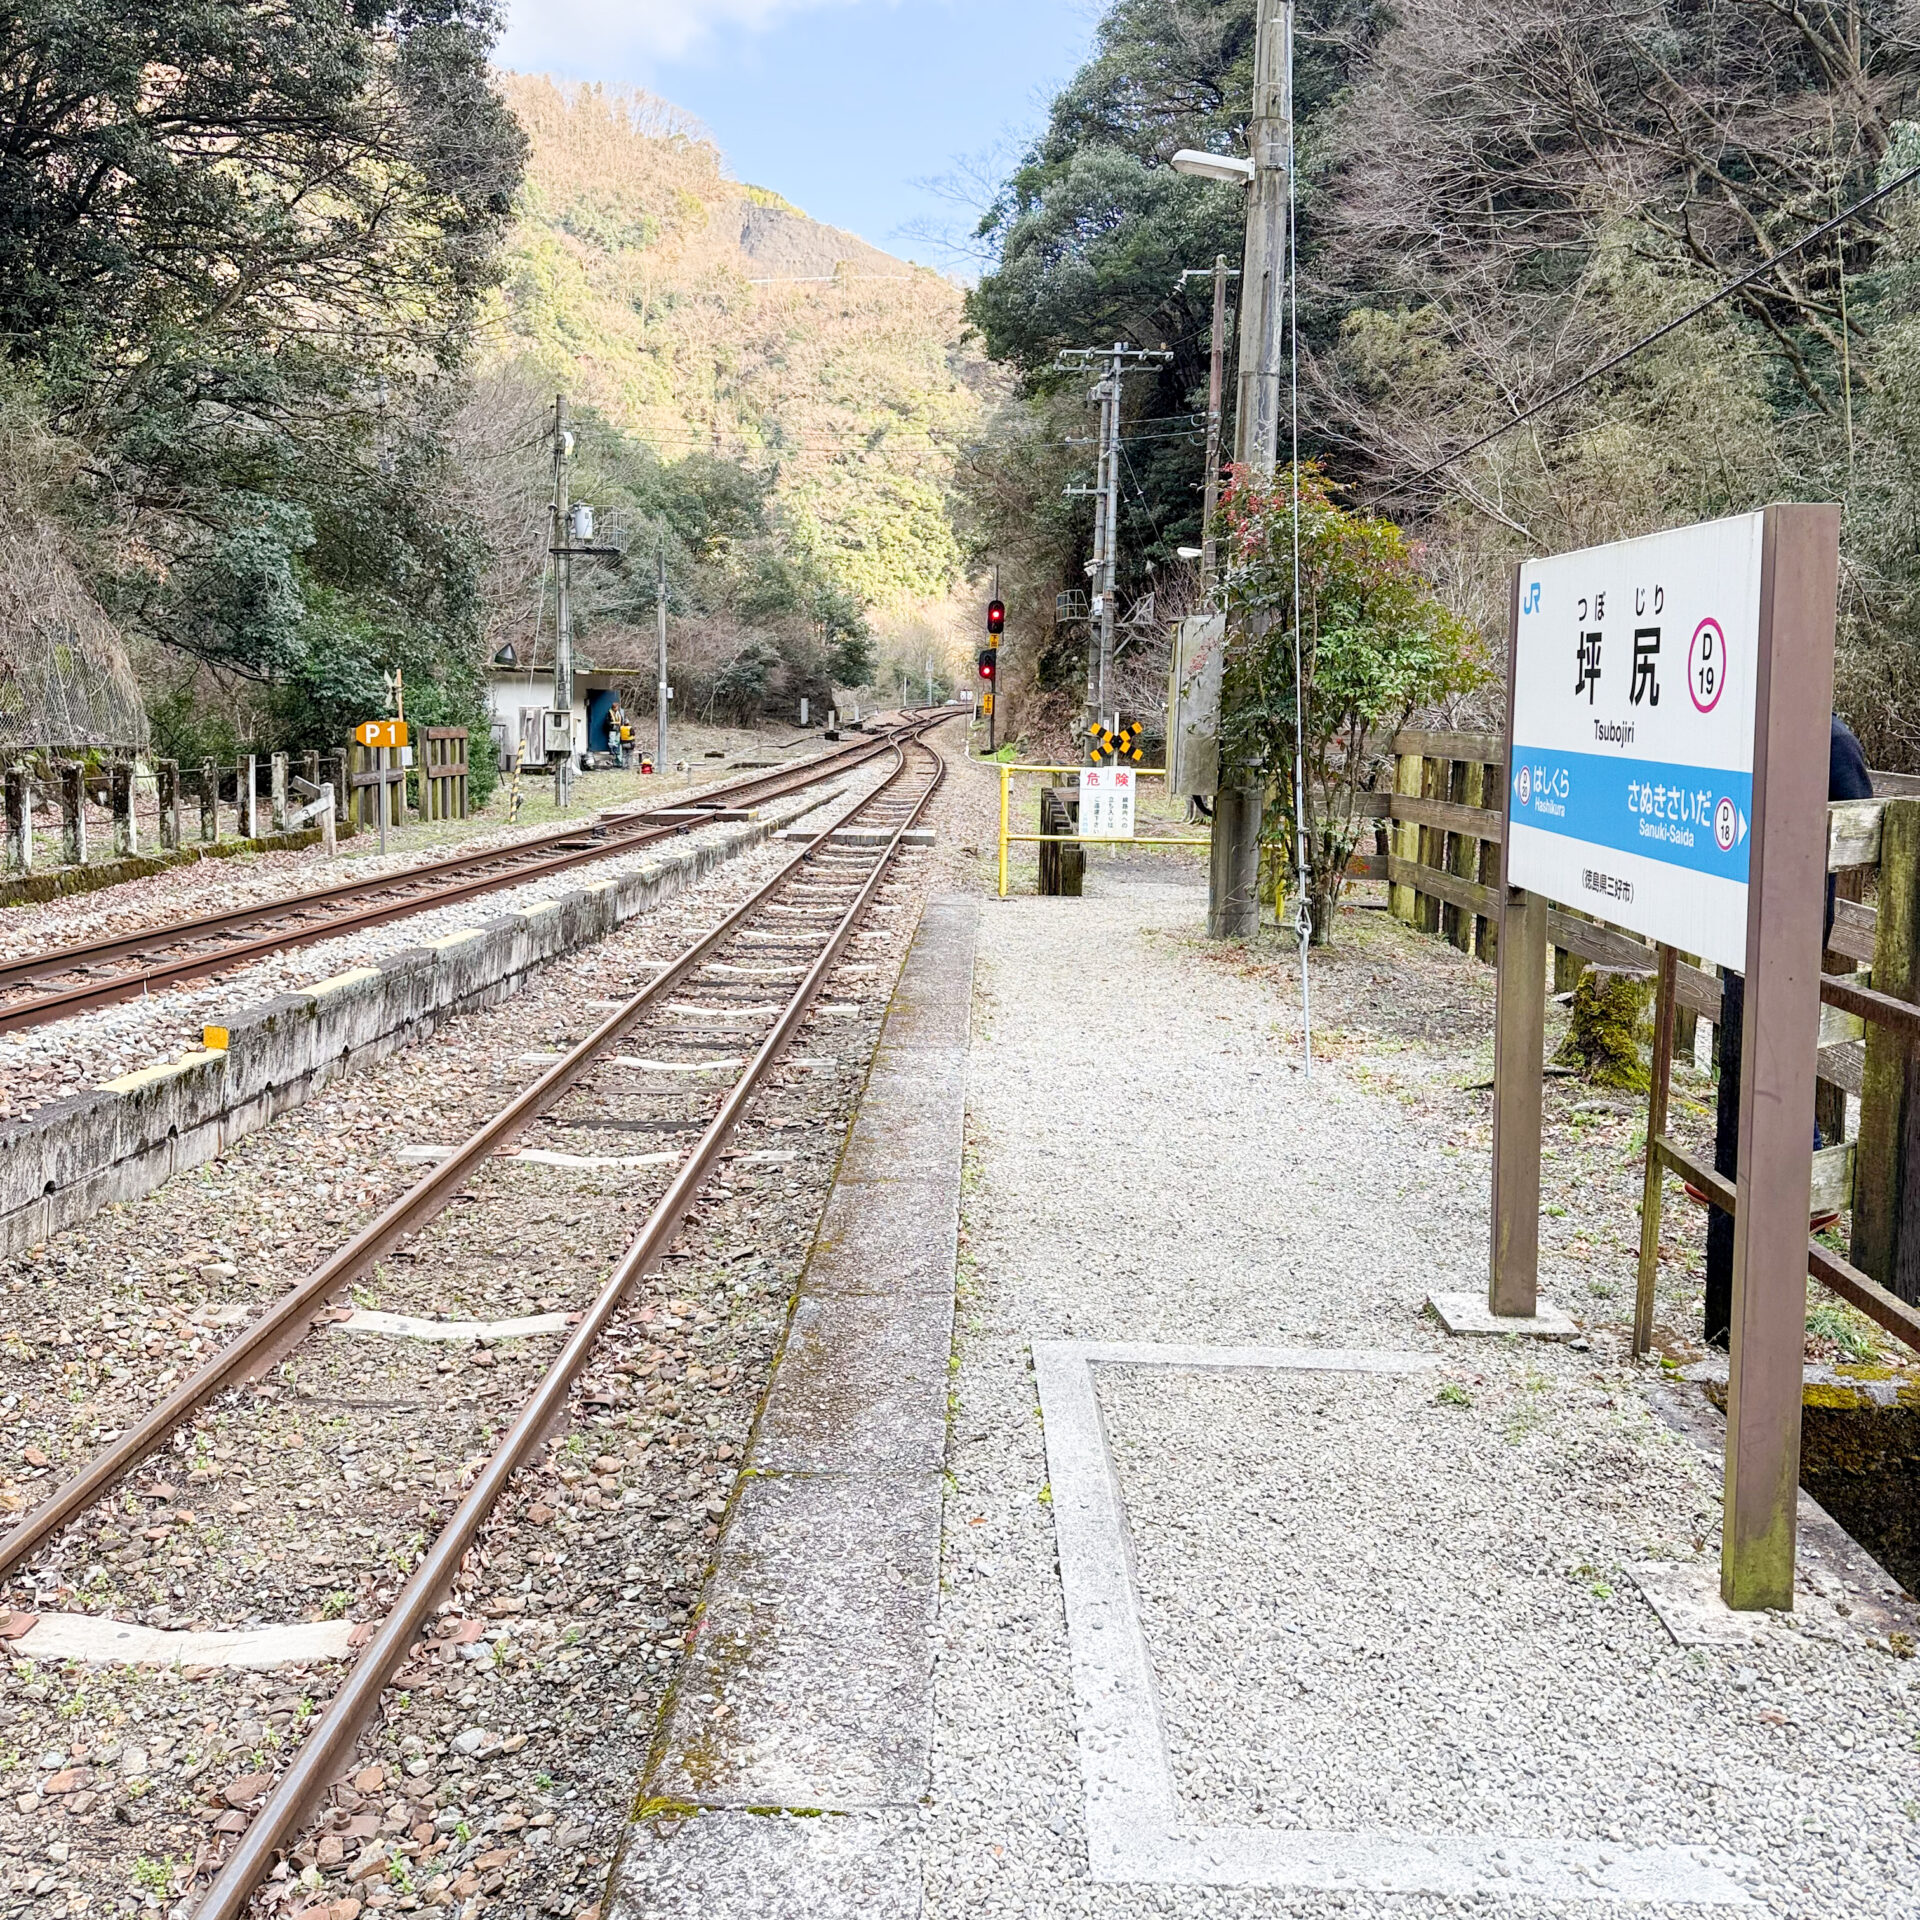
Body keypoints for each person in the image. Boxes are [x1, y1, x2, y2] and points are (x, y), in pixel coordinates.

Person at [1702, 713, 1871, 1346]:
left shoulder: (1830, 739)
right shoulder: (1746, 725)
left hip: (1792, 919)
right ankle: (1746, 1177)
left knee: (1774, 1050)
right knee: (1745, 1053)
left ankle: (1805, 1168)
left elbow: (1860, 826)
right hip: (1740, 908)